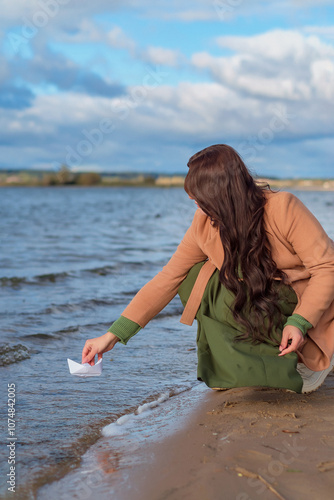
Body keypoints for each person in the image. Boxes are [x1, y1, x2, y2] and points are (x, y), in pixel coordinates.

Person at [82, 144, 334, 394]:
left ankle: (308, 358)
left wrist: (300, 322)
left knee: (227, 286)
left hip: (303, 303)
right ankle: (255, 364)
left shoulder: (283, 207)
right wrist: (112, 335)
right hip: (261, 298)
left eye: (200, 200)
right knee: (195, 279)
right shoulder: (203, 224)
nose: (197, 207)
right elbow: (168, 278)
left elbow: (327, 268)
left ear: (222, 195)